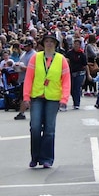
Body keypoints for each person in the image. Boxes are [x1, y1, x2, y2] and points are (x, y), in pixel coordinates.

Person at [22, 34, 70, 169]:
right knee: (35, 127)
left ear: (56, 44)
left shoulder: (61, 60)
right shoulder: (35, 58)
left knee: (49, 129)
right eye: (47, 41)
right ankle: (35, 157)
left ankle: (47, 158)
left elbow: (66, 80)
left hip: (53, 98)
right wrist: (26, 97)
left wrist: (64, 98)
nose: (49, 44)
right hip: (37, 96)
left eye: (51, 42)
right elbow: (29, 78)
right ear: (43, 44)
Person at [64, 39, 89, 109]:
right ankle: (74, 100)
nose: (76, 46)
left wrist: (87, 74)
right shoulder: (69, 53)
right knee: (72, 89)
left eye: (77, 44)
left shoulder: (82, 54)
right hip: (71, 73)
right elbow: (66, 61)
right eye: (75, 44)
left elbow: (85, 65)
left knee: (77, 88)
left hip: (80, 73)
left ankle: (77, 103)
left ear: (80, 45)